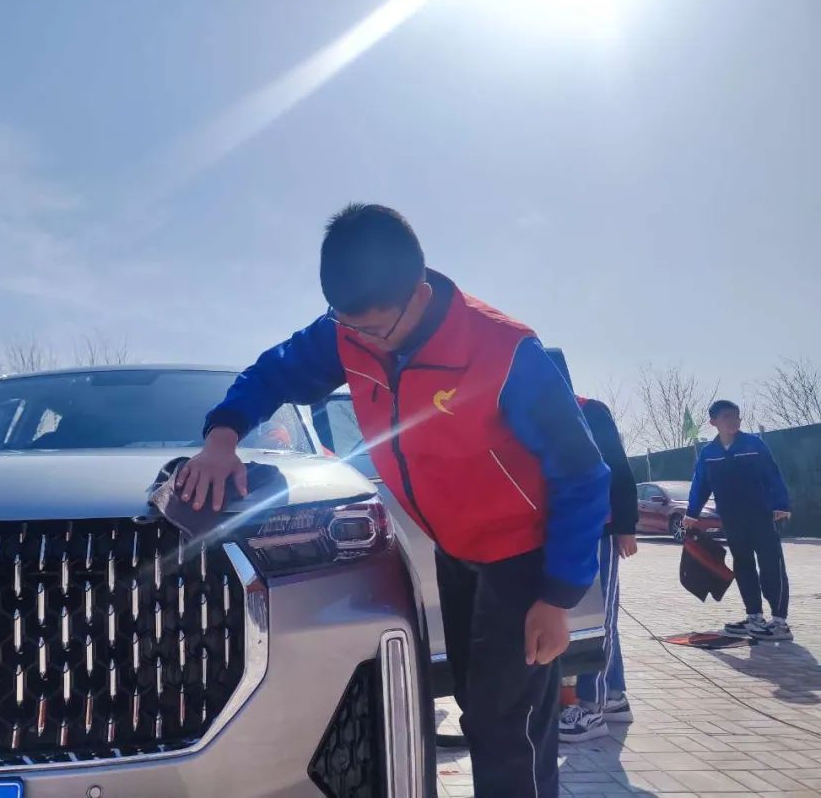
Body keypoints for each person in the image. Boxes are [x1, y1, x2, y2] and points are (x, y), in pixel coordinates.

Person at [177, 204, 610, 796]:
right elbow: (274, 373)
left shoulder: (503, 351)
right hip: (456, 550)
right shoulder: (348, 331)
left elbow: (582, 473)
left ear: (420, 293)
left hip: (522, 557)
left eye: (377, 330)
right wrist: (222, 437)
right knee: (476, 702)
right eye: (349, 328)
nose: (363, 342)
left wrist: (556, 598)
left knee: (509, 726)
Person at [546, 350, 639, 743]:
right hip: (563, 531)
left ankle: (591, 707)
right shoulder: (540, 419)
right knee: (589, 616)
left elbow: (618, 468)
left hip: (597, 529)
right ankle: (613, 696)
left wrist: (626, 526)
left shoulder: (590, 411)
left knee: (599, 617)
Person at [684, 400, 792, 640]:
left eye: (736, 416)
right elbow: (700, 484)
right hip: (732, 519)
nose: (733, 421)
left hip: (761, 516)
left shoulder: (754, 445)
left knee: (771, 565)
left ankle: (779, 622)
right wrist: (692, 513)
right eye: (727, 417)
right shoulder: (709, 453)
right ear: (713, 422)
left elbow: (772, 474)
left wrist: (781, 504)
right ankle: (754, 617)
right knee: (743, 566)